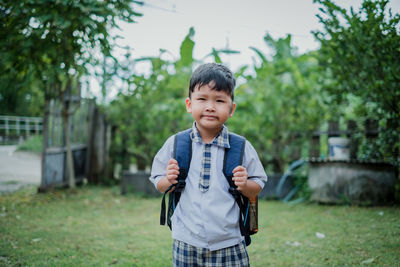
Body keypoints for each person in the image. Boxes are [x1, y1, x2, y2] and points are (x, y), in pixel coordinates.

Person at [149, 63, 267, 266]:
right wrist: (168, 180)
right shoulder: (176, 144)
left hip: (229, 243)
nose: (210, 106)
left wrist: (245, 184)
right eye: (202, 99)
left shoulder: (240, 146)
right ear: (189, 104)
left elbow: (258, 184)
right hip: (185, 241)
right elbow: (158, 181)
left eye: (220, 100)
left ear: (231, 109)